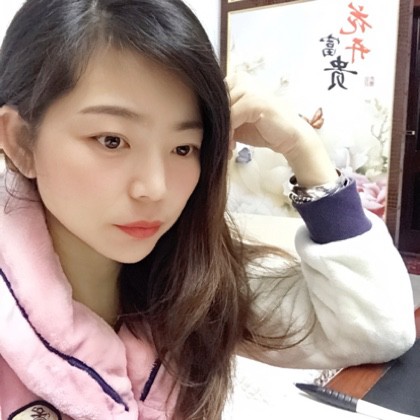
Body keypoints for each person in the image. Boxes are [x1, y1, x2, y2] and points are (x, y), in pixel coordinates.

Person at [0, 0, 415, 419]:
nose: (155, 188)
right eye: (112, 140)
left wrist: (302, 148)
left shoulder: (191, 280)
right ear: (19, 141)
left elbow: (376, 327)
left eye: (183, 148)